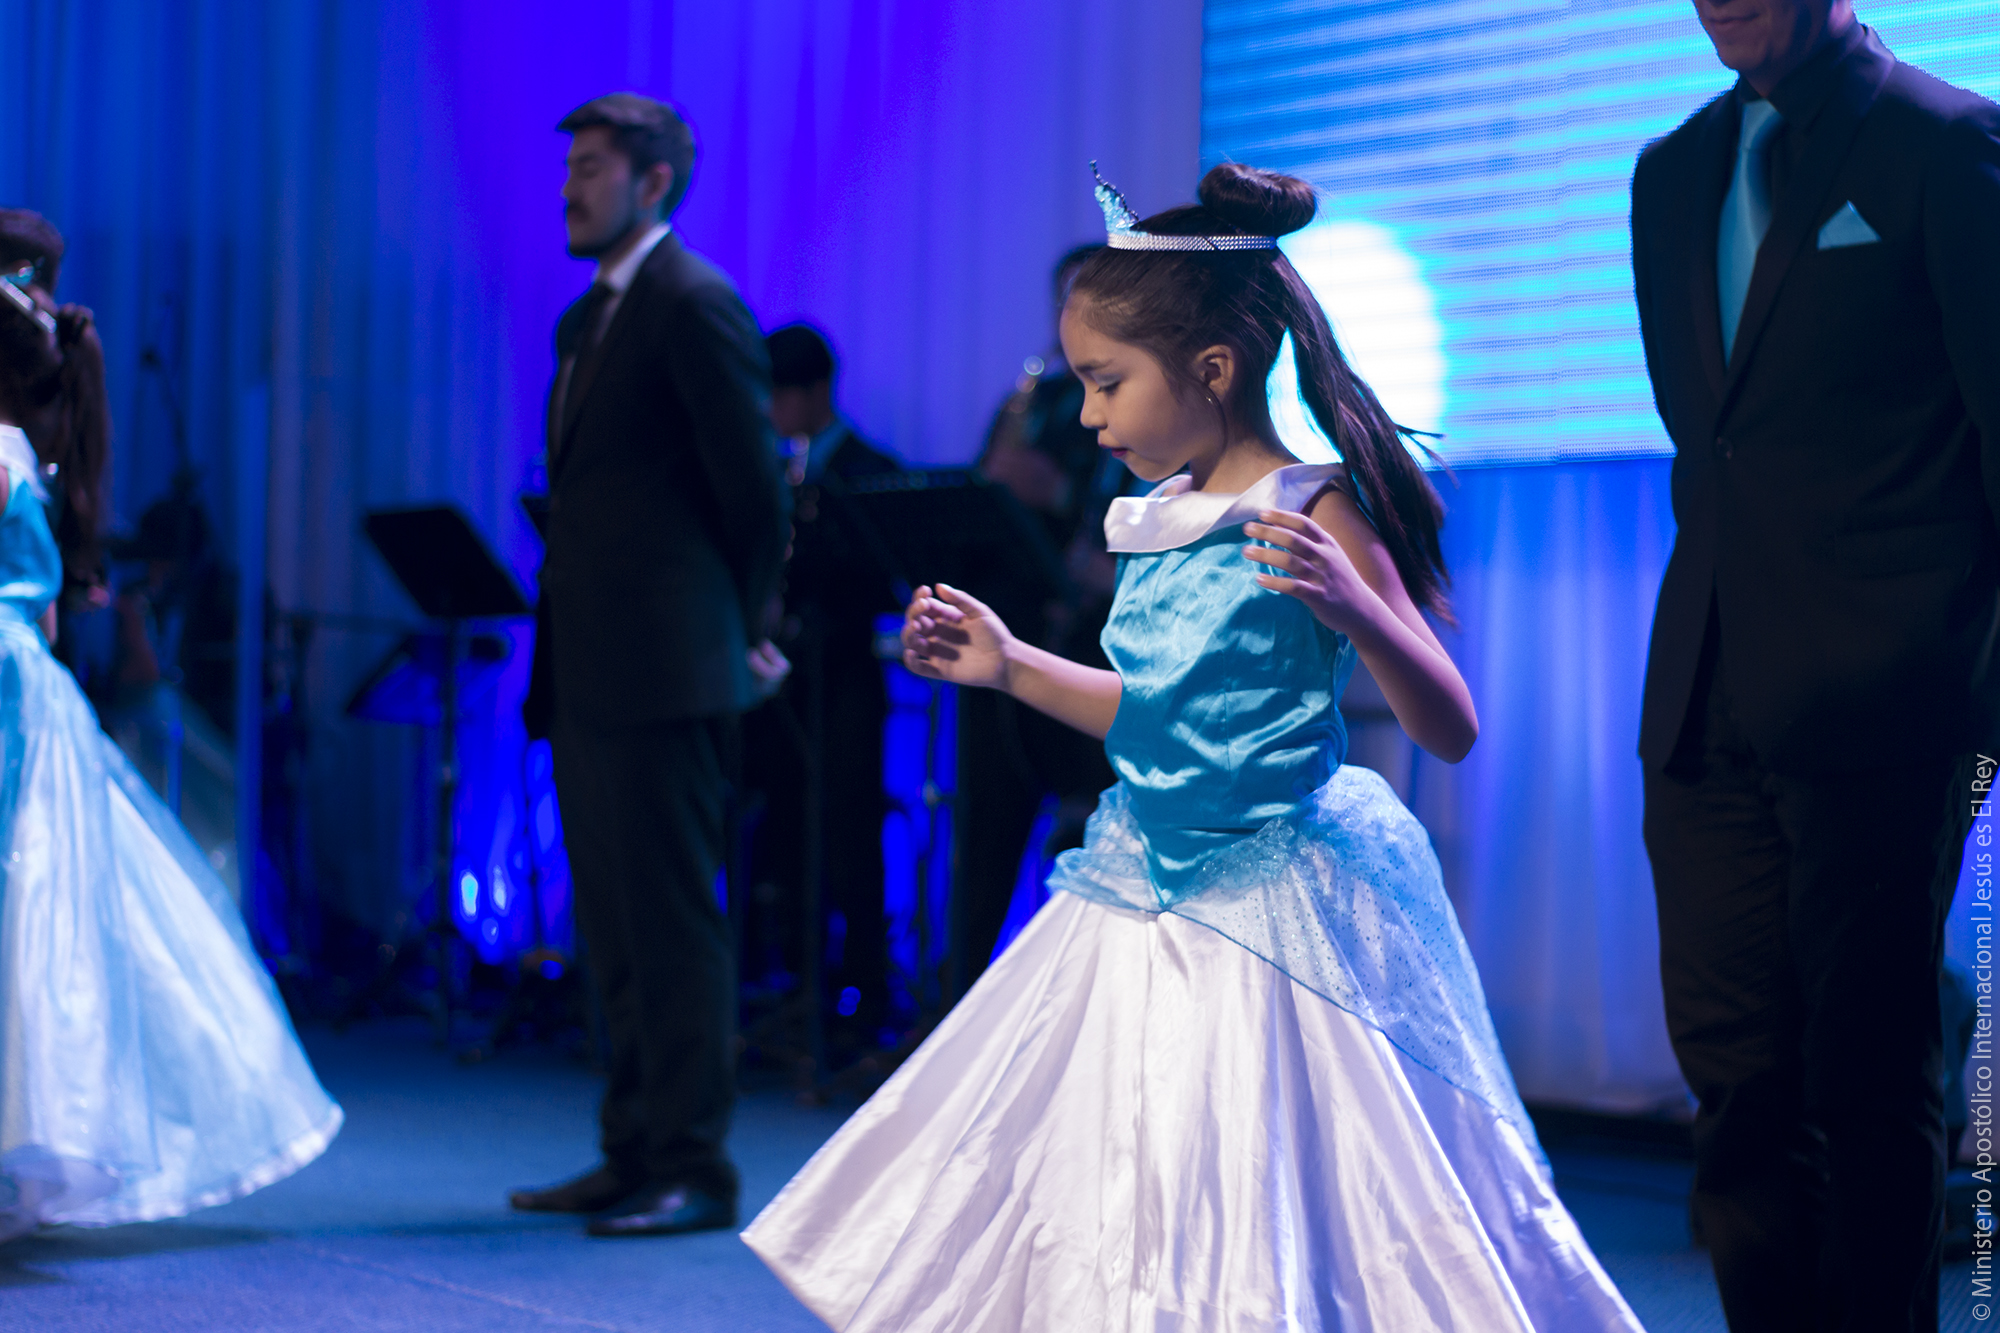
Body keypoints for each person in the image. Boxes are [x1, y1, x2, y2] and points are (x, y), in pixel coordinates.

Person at [742, 165, 1643, 1329]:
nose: (1084, 415)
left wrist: (1358, 608)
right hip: (1136, 888)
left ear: (1210, 371)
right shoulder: (1151, 519)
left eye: (1104, 382)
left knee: (1258, 1182)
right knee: (1111, 1166)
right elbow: (1156, 711)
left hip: (1268, 907)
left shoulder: (1310, 509)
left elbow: (1449, 725)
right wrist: (1009, 661)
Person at [1631, 4, 2000, 1328]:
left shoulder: (1947, 145)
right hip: (1703, 697)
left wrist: (1978, 701)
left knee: (1864, 1083)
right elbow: (1715, 451)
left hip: (1887, 704)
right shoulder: (1666, 171)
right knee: (1738, 1086)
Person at [0, 208, 341, 1241]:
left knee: (34, 924)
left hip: (14, 700)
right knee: (48, 926)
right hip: (32, 689)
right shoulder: (34, 443)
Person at [511, 94, 790, 1239]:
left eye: (591, 166)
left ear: (654, 182)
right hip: (592, 665)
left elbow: (753, 489)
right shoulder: (592, 319)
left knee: (672, 922)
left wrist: (746, 626)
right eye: (569, 163)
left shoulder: (692, 301)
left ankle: (693, 1165)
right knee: (616, 925)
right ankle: (630, 1149)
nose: (570, 185)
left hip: (671, 667)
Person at [951, 244, 1123, 998]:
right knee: (983, 825)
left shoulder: (1134, 396)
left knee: (1087, 827)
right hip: (1013, 626)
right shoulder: (1033, 397)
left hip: (1089, 632)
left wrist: (1055, 490)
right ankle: (956, 1002)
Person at [748, 323, 901, 1049]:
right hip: (784, 687)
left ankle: (863, 996)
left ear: (813, 392)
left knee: (850, 838)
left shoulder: (871, 470)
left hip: (843, 682)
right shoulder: (775, 473)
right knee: (788, 834)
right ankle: (798, 987)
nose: (772, 412)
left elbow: (880, 579)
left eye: (780, 395)